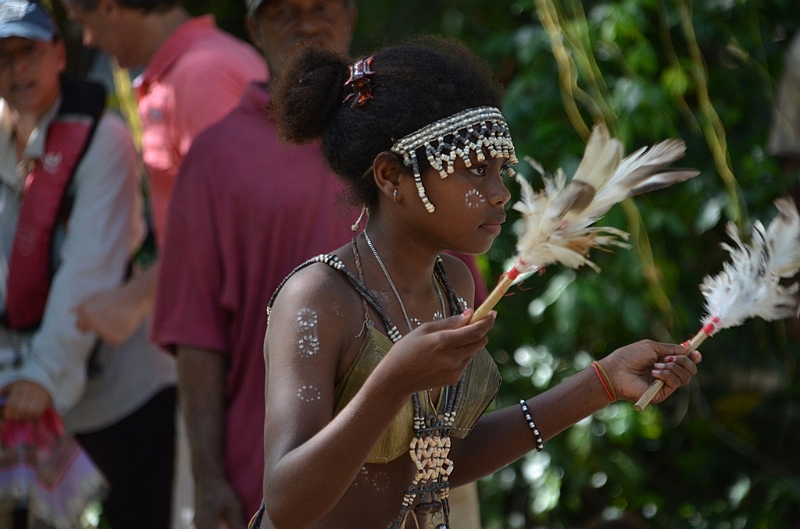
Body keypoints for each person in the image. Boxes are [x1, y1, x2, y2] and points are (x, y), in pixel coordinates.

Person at [250, 36, 702, 528]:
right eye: (474, 170)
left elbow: (443, 461)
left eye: (500, 169)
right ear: (390, 177)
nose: (500, 193)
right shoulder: (317, 298)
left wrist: (602, 383)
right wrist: (393, 381)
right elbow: (287, 503)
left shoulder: (455, 283)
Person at [151, 1, 484, 527]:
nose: (308, 23)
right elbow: (198, 335)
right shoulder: (215, 157)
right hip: (269, 473)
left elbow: (456, 306)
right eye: (285, 11)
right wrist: (206, 476)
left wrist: (597, 384)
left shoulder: (411, 139)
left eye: (322, 6)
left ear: (350, 17)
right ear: (255, 28)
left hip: (423, 479)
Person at [0, 1, 176, 528]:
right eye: (2, 57)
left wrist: (43, 375)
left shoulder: (104, 140)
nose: (16, 69)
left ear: (58, 54)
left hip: (120, 393)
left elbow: (88, 268)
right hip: (22, 390)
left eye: (28, 52)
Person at [57, 0, 267, 347]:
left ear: (112, 8)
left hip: (243, 333)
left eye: (83, 22)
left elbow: (239, 219)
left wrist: (135, 297)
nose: (89, 40)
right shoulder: (193, 68)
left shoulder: (200, 76)